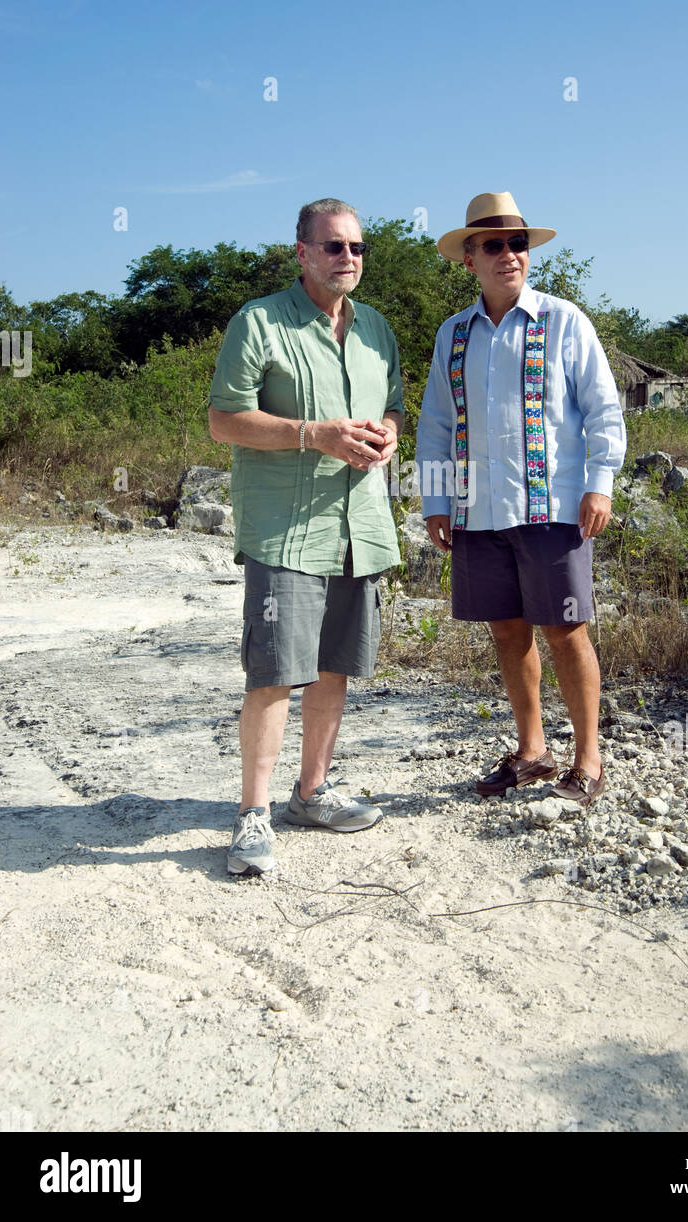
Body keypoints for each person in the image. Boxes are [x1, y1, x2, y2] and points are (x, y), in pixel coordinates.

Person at [208, 198, 404, 874]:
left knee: (334, 666)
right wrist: (312, 435)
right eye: (331, 247)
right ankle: (252, 815)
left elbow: (392, 406)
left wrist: (387, 434)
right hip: (285, 531)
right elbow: (224, 420)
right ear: (302, 253)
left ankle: (312, 792)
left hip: (360, 526)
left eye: (355, 248)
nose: (346, 258)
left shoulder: (376, 328)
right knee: (274, 673)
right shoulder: (258, 321)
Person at [416, 192, 626, 806]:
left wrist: (600, 483)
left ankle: (588, 762)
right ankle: (532, 752)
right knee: (507, 631)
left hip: (552, 508)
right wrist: (435, 499)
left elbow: (602, 409)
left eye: (518, 244)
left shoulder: (564, 321)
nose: (509, 255)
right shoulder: (452, 334)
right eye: (494, 245)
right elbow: (436, 422)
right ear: (469, 259)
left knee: (566, 629)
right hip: (477, 512)